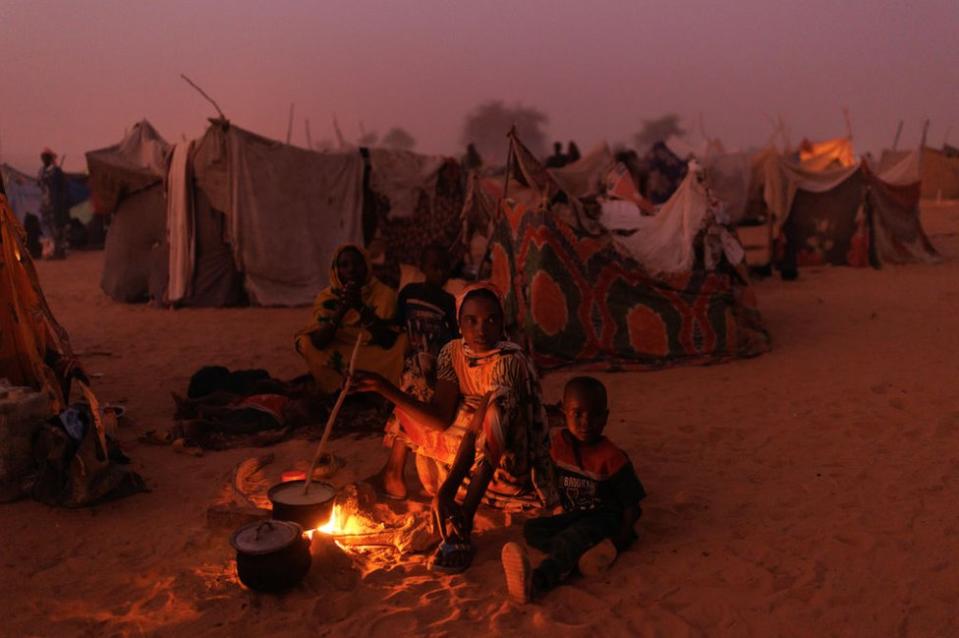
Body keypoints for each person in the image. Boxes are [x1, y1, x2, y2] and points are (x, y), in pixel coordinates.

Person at [352, 283, 556, 573]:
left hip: (502, 462)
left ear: (502, 324)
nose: (481, 330)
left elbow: (487, 434)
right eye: (471, 321)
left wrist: (457, 505)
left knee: (493, 410)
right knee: (419, 367)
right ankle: (394, 474)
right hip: (466, 444)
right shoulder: (452, 352)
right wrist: (383, 388)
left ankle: (464, 518)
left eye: (491, 320)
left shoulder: (509, 362)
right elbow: (441, 418)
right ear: (459, 323)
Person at [501, 376, 646, 604]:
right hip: (574, 514)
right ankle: (579, 556)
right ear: (563, 412)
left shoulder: (611, 457)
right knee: (533, 529)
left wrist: (620, 540)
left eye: (595, 414)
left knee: (573, 537)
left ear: (606, 417)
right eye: (577, 414)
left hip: (603, 516)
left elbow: (632, 507)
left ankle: (537, 581)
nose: (586, 422)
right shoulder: (559, 445)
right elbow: (548, 474)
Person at [295, 245, 406, 395]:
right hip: (343, 348)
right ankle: (335, 388)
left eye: (357, 264)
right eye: (344, 265)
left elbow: (387, 341)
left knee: (404, 342)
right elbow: (319, 342)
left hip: (374, 352)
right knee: (306, 343)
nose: (351, 270)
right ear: (336, 269)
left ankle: (381, 389)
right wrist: (342, 308)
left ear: (367, 266)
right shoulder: (327, 297)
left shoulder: (384, 294)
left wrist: (360, 306)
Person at [396, 244, 457, 394]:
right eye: (435, 267)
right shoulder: (409, 292)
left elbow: (454, 335)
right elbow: (398, 324)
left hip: (435, 362)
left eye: (445, 267)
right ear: (422, 267)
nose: (441, 273)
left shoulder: (449, 301)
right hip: (409, 359)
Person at [37, 148, 69, 259]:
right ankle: (49, 252)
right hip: (44, 205)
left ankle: (59, 251)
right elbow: (39, 185)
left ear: (50, 158)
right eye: (43, 157)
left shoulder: (57, 172)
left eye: (47, 157)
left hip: (55, 205)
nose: (44, 159)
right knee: (46, 230)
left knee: (57, 228)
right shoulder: (41, 172)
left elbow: (63, 188)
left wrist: (61, 202)